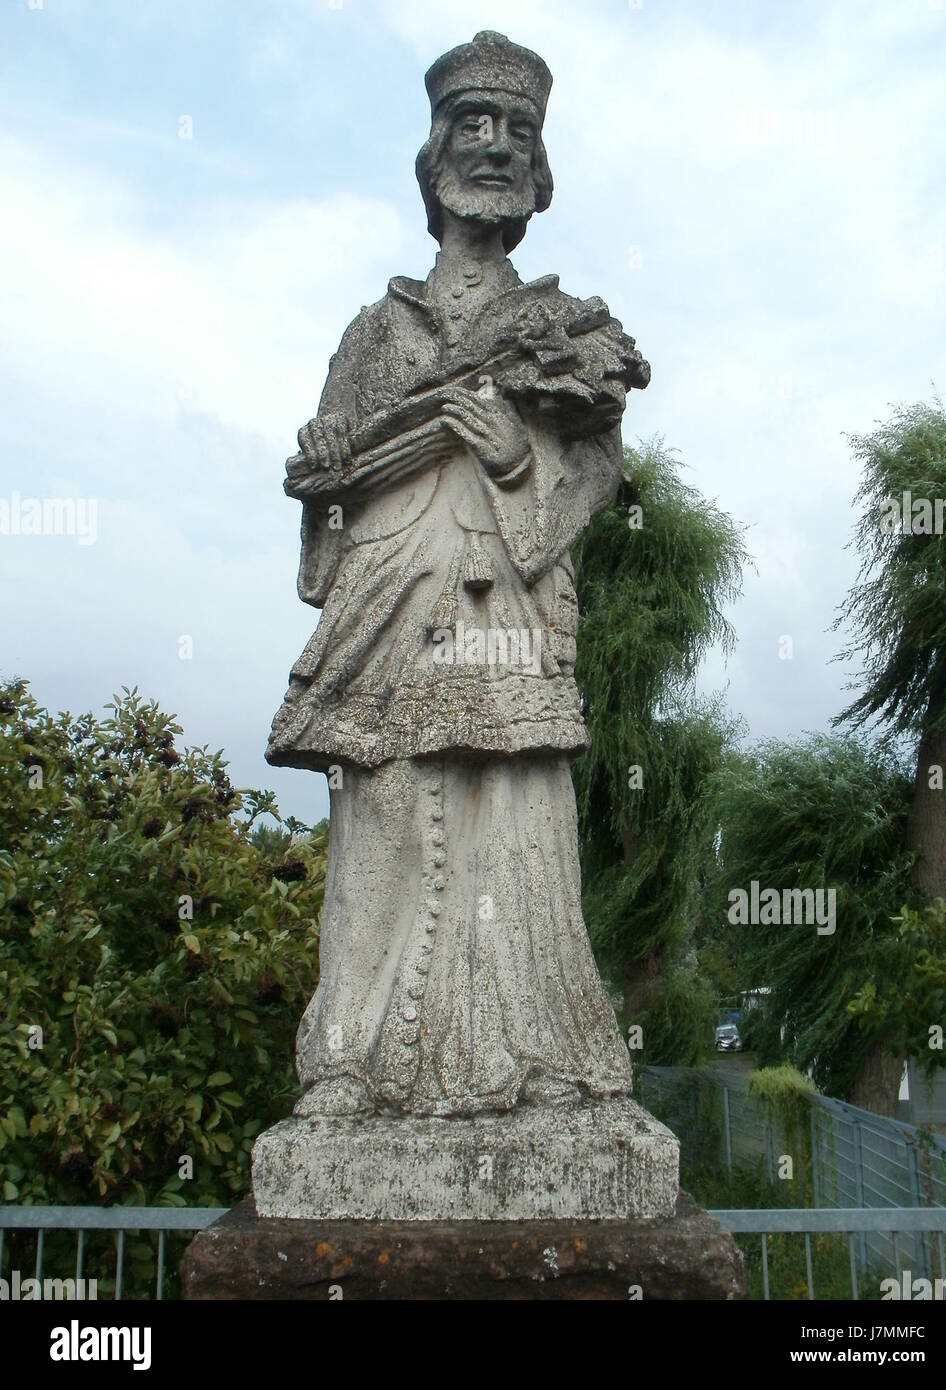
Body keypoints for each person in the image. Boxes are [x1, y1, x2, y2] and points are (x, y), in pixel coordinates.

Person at [266, 31, 647, 1118]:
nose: (495, 146)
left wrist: (516, 457)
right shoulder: (374, 334)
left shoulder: (565, 329)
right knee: (381, 818)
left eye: (518, 129)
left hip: (505, 610)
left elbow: (590, 479)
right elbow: (328, 513)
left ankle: (545, 1061)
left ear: (540, 171)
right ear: (433, 155)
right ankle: (347, 1065)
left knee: (518, 821)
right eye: (472, 124)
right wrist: (325, 482)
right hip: (386, 609)